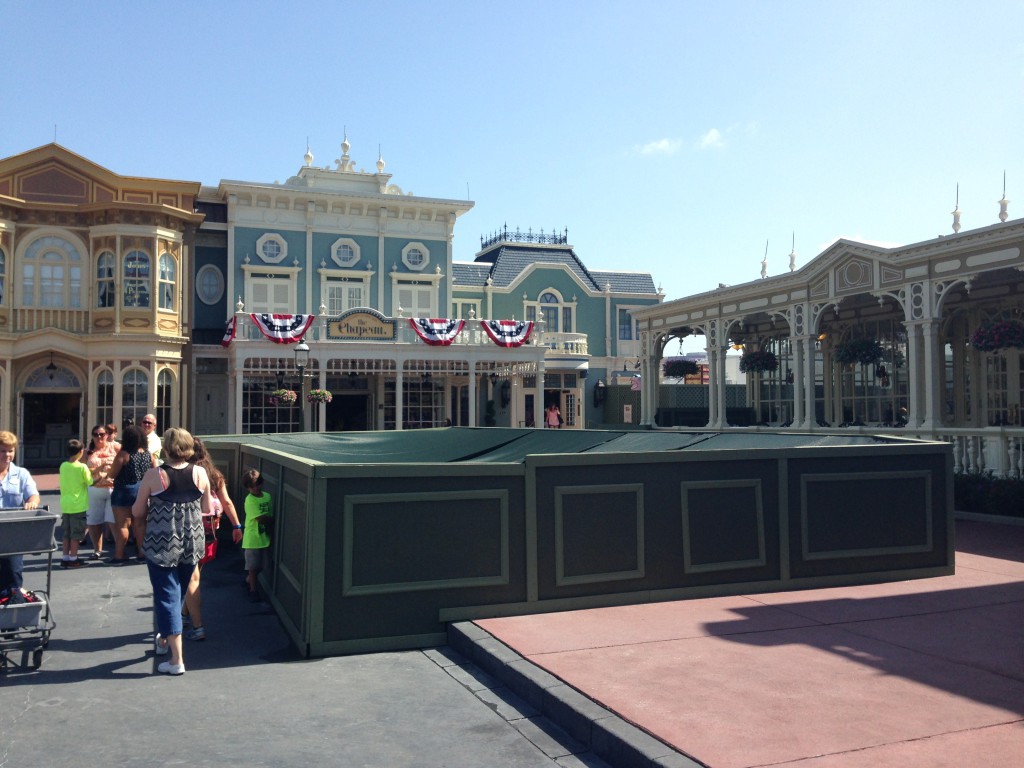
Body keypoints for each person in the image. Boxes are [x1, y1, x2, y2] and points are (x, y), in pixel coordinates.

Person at [132, 428, 212, 676]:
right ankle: (165, 639)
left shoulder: (154, 475)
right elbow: (207, 507)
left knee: (167, 596)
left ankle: (176, 660)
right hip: (192, 541)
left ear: (166, 448)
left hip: (161, 543)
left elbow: (137, 512)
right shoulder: (200, 473)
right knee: (178, 592)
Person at [181, 438, 243, 641]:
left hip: (189, 529)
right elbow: (227, 502)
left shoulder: (184, 473)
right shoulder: (215, 475)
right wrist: (236, 526)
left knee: (191, 578)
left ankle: (197, 626)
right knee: (196, 572)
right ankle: (184, 614)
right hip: (210, 530)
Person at [0, 431, 41, 595]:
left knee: (13, 575)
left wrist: (32, 502)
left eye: (10, 451)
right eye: (2, 451)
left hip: (13, 534)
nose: (7, 455)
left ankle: (13, 605)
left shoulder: (21, 473)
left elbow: (33, 495)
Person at [109, 425, 157, 563]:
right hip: (142, 490)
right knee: (140, 524)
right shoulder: (149, 455)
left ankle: (119, 555)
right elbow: (155, 472)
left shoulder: (124, 455)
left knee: (123, 525)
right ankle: (142, 553)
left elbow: (112, 474)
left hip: (124, 490)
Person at [85, 424, 118, 560]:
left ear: (107, 435)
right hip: (94, 489)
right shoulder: (88, 452)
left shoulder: (115, 447)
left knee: (113, 521)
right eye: (96, 434)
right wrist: (101, 468)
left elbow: (125, 460)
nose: (99, 437)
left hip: (112, 488)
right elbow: (83, 471)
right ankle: (97, 550)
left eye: (102, 434)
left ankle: (119, 551)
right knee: (94, 521)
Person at [58, 439, 93, 568]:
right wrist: (101, 476)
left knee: (66, 534)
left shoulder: (63, 466)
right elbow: (90, 482)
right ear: (80, 452)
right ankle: (73, 558)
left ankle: (65, 557)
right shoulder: (82, 467)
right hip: (78, 505)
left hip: (66, 504)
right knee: (76, 535)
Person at [241, 469, 273, 602]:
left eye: (257, 485)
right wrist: (273, 520)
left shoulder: (267, 496)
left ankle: (248, 580)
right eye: (251, 487)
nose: (255, 489)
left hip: (264, 537)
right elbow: (260, 518)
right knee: (253, 567)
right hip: (252, 538)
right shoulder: (250, 500)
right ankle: (253, 590)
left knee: (263, 565)